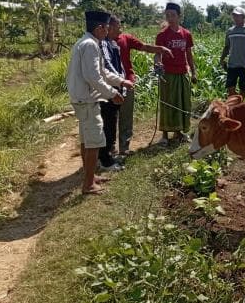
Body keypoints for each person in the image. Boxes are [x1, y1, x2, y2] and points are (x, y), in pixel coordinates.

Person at [66, 10, 133, 195]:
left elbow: (102, 72)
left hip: (83, 98)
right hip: (88, 99)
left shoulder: (88, 42)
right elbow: (93, 77)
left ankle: (91, 176)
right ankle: (88, 185)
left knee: (87, 140)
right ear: (99, 28)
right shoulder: (90, 45)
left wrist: (121, 81)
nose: (108, 30)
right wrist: (113, 94)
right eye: (107, 27)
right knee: (94, 141)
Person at [116, 22, 173, 156]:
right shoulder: (103, 42)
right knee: (110, 118)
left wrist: (160, 49)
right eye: (118, 25)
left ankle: (124, 148)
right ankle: (110, 150)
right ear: (110, 26)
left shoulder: (126, 38)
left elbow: (144, 47)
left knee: (126, 116)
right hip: (111, 83)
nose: (121, 27)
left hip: (128, 81)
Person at [155, 2, 197, 146]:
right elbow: (157, 54)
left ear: (179, 16)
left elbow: (189, 55)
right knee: (168, 103)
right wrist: (157, 64)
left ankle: (180, 132)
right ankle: (165, 135)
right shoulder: (162, 35)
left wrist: (193, 72)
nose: (170, 18)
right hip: (167, 74)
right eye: (167, 15)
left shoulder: (186, 34)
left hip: (182, 73)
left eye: (173, 15)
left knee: (183, 103)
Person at [98, 15, 127, 171]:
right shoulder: (102, 45)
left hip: (115, 87)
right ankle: (104, 159)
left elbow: (119, 66)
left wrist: (122, 82)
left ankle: (107, 154)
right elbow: (108, 68)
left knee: (111, 123)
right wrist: (121, 81)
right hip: (107, 91)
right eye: (117, 27)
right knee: (107, 124)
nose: (120, 30)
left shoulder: (113, 44)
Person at [220, 7, 245, 98]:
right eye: (234, 16)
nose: (236, 18)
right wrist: (222, 59)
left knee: (243, 90)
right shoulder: (230, 31)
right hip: (232, 65)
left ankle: (240, 108)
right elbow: (226, 47)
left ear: (243, 17)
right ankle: (235, 106)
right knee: (230, 90)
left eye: (238, 16)